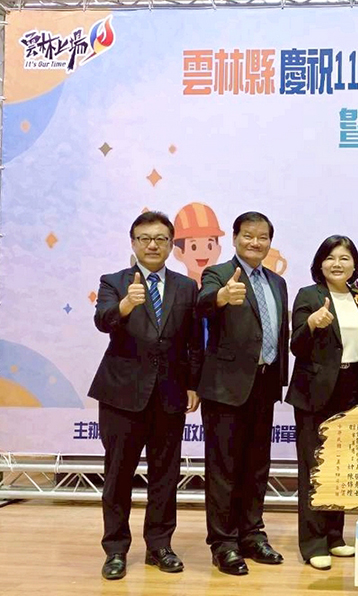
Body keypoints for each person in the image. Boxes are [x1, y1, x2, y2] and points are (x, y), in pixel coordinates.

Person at [89, 211, 202, 580]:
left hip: (169, 394)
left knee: (165, 475)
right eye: (145, 238)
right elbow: (103, 320)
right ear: (133, 243)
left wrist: (193, 384)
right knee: (118, 475)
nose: (152, 245)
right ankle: (115, 550)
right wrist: (125, 305)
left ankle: (159, 546)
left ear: (171, 244)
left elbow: (193, 341)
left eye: (160, 239)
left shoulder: (187, 287)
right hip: (122, 394)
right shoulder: (114, 281)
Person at [197, 211, 289, 576]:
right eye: (248, 235)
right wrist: (222, 296)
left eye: (263, 237)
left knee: (256, 466)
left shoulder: (277, 282)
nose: (255, 242)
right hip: (226, 387)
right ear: (235, 238)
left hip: (264, 385)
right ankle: (223, 543)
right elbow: (203, 304)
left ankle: (252, 535)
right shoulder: (218, 274)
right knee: (224, 468)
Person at [287, 235, 358, 570]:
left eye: (344, 258)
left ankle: (334, 536)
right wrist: (311, 324)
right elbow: (296, 345)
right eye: (330, 258)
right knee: (314, 467)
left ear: (355, 265)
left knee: (340, 465)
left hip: (352, 388)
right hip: (316, 392)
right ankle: (313, 543)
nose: (337, 264)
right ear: (320, 264)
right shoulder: (309, 295)